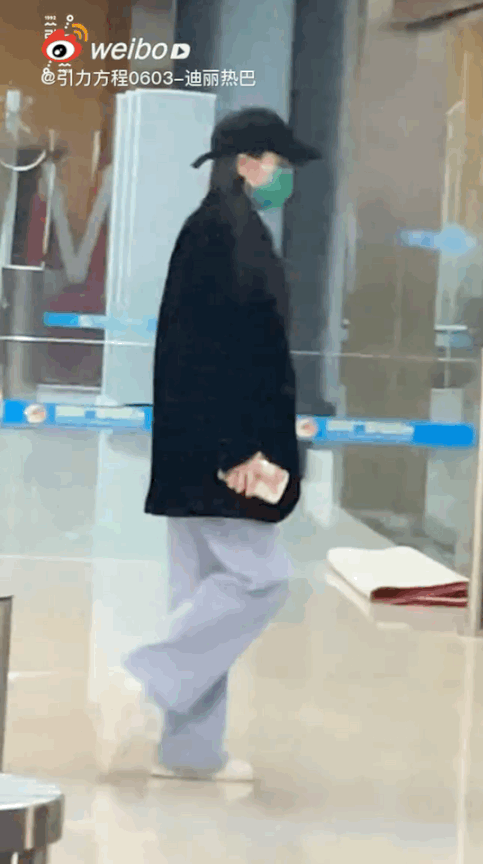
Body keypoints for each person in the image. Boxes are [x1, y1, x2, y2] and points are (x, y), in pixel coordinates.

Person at [122, 108, 321, 782]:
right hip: (223, 448)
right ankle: (150, 674)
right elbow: (214, 351)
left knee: (202, 591)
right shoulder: (222, 233)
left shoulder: (225, 227)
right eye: (279, 163)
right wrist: (238, 448)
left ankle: (189, 750)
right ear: (245, 163)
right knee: (258, 579)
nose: (284, 176)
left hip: (202, 443)